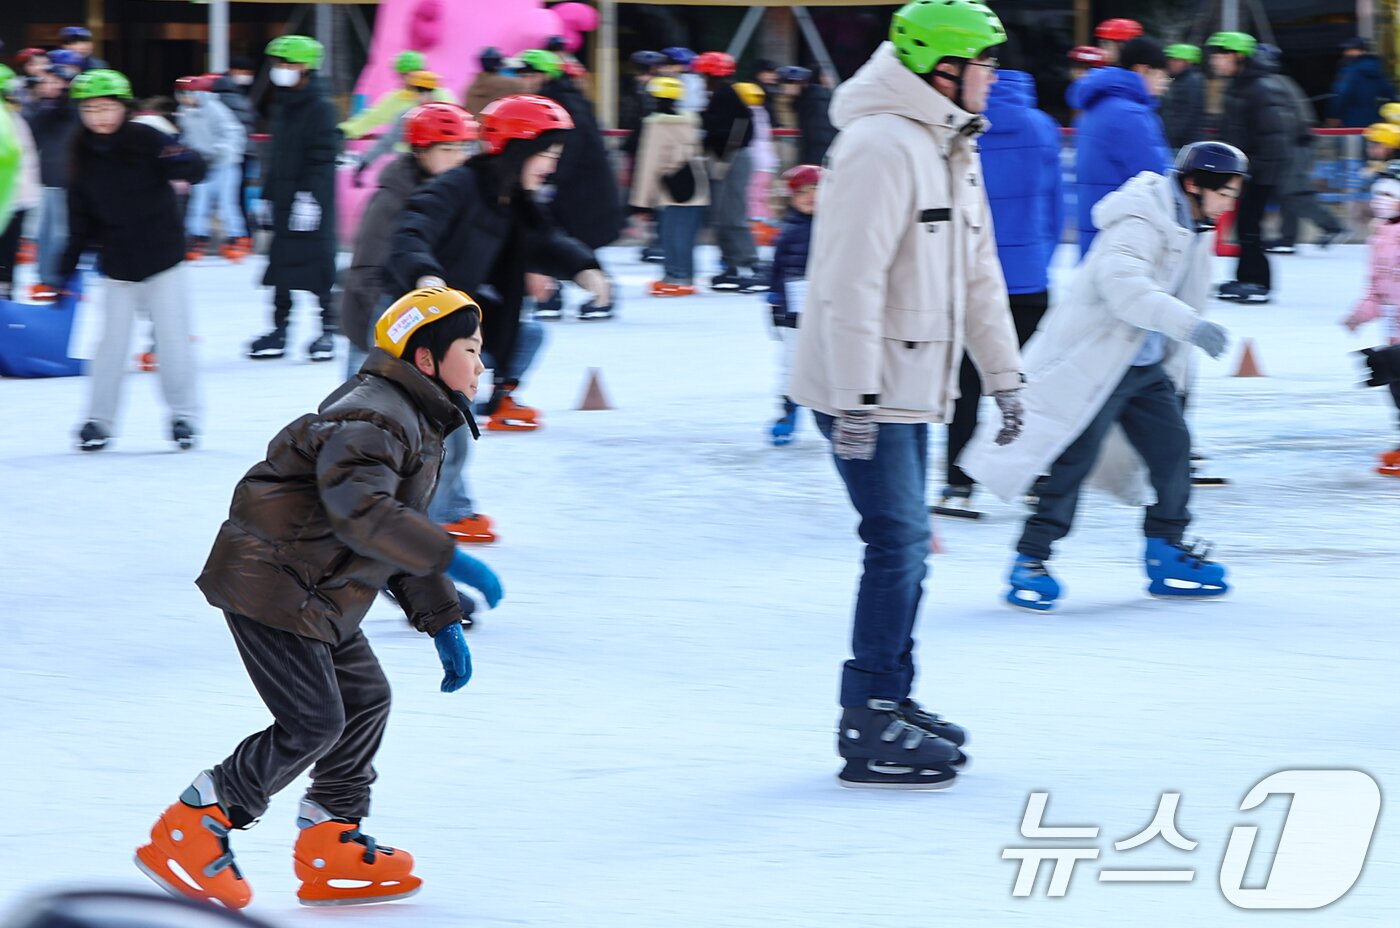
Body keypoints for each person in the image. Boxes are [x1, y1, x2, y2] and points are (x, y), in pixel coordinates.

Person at [135, 287, 503, 910]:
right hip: (273, 583)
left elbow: (394, 531)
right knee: (314, 721)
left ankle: (330, 836)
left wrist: (441, 617)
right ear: (426, 359)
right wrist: (448, 555)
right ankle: (195, 823)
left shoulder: (413, 417)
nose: (481, 364)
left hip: (318, 589)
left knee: (365, 699)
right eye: (470, 349)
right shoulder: (375, 417)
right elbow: (364, 513)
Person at [788, 0, 1023, 789]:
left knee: (908, 547)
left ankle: (892, 695)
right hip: (864, 384)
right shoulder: (879, 145)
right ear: (942, 68)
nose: (995, 76)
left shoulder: (949, 142)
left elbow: (980, 274)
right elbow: (847, 282)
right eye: (985, 62)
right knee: (897, 545)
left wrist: (1005, 377)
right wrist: (855, 398)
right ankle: (868, 716)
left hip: (910, 383)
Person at [962, 142, 1244, 611]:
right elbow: (1124, 289)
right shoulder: (1140, 219)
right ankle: (1031, 558)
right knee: (1074, 461)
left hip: (1144, 368)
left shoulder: (1195, 227)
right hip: (1096, 365)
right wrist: (1190, 326)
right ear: (1195, 185)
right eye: (1226, 193)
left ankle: (1166, 549)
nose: (1229, 203)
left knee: (1174, 451)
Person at [384, 94, 610, 538]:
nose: (551, 166)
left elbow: (545, 241)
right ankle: (415, 519)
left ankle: (423, 515)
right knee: (435, 430)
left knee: (444, 429)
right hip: (413, 318)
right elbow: (413, 229)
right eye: (546, 154)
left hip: (451, 325)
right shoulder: (461, 185)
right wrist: (424, 274)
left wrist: (583, 267)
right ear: (520, 149)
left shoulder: (513, 200)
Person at [49, 69, 206, 452]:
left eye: (106, 108)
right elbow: (79, 222)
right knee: (110, 345)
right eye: (90, 109)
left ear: (123, 106)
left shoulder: (146, 138)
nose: (99, 117)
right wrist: (63, 272)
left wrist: (184, 158)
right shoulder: (80, 154)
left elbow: (192, 167)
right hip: (117, 264)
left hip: (163, 258)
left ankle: (184, 416)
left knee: (172, 340)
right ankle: (98, 421)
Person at [937, 62, 1062, 517]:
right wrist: (1040, 258)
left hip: (971, 277)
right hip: (1029, 277)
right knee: (1027, 384)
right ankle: (1036, 479)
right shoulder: (1042, 127)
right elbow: (1054, 207)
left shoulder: (959, 124)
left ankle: (957, 485)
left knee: (966, 385)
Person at [343, 103, 476, 376]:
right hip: (383, 317)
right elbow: (367, 268)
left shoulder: (457, 195)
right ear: (421, 151)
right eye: (447, 149)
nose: (458, 158)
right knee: (365, 395)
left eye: (462, 149)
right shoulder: (392, 199)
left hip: (430, 321)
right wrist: (387, 326)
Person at [250, 35, 339, 361]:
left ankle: (327, 330)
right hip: (283, 199)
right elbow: (275, 157)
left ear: (305, 67)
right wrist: (266, 197)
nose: (281, 69)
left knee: (319, 270)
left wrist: (309, 198)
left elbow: (323, 157)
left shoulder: (321, 108)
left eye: (287, 63)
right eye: (278, 64)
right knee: (282, 269)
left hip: (311, 204)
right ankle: (279, 330)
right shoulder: (283, 105)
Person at [1209, 31, 1298, 304]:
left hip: (1259, 172)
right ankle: (1245, 277)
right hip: (1245, 170)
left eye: (1220, 55)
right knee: (1244, 226)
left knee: (1250, 226)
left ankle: (1258, 282)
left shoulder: (1258, 88)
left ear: (1237, 56)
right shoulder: (1239, 85)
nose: (1215, 61)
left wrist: (1254, 171)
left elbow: (1272, 136)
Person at [536, 50, 624, 319]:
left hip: (580, 193)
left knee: (571, 244)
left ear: (545, 75)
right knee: (551, 240)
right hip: (575, 190)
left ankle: (600, 294)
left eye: (530, 73)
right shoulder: (560, 98)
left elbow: (569, 148)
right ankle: (551, 294)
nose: (524, 79)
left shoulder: (564, 102)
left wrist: (549, 180)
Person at [1068, 36, 1171, 256]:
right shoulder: (1130, 115)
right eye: (1161, 75)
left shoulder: (1094, 108)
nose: (1165, 84)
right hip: (1124, 237)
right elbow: (1156, 180)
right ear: (1142, 70)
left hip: (1097, 231)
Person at [1251, 44, 1346, 254]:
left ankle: (1332, 226)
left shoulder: (1271, 83)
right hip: (1293, 144)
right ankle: (1287, 238)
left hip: (1293, 145)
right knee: (1287, 191)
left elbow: (1285, 119)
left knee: (1293, 192)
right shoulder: (1276, 81)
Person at [629, 75, 709, 297]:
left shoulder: (655, 125)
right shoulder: (692, 121)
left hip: (671, 188)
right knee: (685, 234)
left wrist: (641, 201)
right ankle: (683, 276)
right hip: (696, 186)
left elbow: (649, 163)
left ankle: (676, 277)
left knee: (671, 234)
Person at [1343, 163, 1400, 475]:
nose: (1380, 200)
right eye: (1377, 194)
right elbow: (1376, 288)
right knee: (1396, 384)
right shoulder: (1380, 235)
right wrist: (1359, 314)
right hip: (1393, 326)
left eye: (1389, 195)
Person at [696, 51, 765, 293]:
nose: (702, 80)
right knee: (721, 216)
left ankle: (748, 263)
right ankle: (732, 263)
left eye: (704, 75)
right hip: (727, 158)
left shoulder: (727, 96)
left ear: (711, 75)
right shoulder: (722, 95)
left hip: (733, 158)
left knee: (733, 215)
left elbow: (729, 129)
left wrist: (703, 127)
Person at [766, 163, 819, 445]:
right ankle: (788, 411)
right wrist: (775, 303)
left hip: (827, 310)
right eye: (803, 192)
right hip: (794, 311)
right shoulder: (788, 230)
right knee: (791, 364)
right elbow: (776, 269)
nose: (810, 197)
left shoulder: (837, 226)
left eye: (816, 190)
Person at [175, 75, 249, 261]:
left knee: (227, 203)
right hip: (203, 165)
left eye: (188, 94)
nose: (185, 98)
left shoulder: (216, 109)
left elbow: (233, 132)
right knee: (198, 203)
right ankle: (197, 237)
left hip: (225, 164)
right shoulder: (184, 111)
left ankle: (236, 238)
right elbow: (187, 135)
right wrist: (184, 150)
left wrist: (221, 151)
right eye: (182, 94)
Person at [22, 64, 78, 302]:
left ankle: (56, 280)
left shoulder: (73, 108)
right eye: (45, 81)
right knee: (45, 234)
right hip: (47, 179)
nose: (49, 86)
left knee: (60, 235)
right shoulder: (42, 110)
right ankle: (45, 279)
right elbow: (30, 137)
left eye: (54, 81)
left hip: (69, 181)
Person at [339, 50, 454, 140]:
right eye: (402, 75)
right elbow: (371, 118)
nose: (405, 80)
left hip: (436, 153)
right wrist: (343, 131)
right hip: (408, 157)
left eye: (410, 74)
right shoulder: (396, 98)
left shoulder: (441, 95)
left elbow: (453, 121)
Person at [0, 69, 39, 300]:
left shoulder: (13, 122)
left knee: (6, 254)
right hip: (15, 200)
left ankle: (4, 293)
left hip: (13, 200)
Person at [1328, 37, 1395, 129]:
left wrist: (1334, 115)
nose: (1346, 52)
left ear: (1361, 51)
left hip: (1351, 122)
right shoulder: (1377, 69)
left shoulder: (1351, 70)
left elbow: (1342, 94)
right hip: (1374, 123)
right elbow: (1390, 94)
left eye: (1350, 50)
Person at [1161, 44, 1205, 150]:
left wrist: (1169, 140)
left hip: (1182, 144)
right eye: (1170, 59)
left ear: (1188, 62)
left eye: (1176, 60)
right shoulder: (1178, 80)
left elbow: (1183, 116)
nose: (1171, 63)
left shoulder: (1192, 82)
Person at [463, 46, 524, 116]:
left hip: (476, 122)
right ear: (499, 62)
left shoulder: (470, 87)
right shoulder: (511, 84)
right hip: (498, 122)